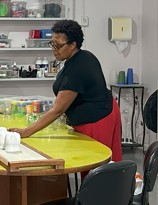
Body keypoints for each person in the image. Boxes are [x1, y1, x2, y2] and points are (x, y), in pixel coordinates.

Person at [10, 19, 122, 163]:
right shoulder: (83, 56)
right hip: (106, 108)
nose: (53, 49)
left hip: (96, 119)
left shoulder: (76, 68)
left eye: (58, 45)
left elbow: (57, 110)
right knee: (105, 163)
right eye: (52, 44)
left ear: (73, 45)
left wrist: (26, 132)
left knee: (96, 165)